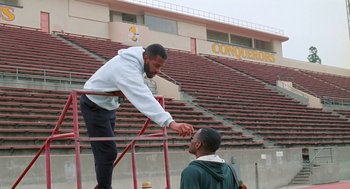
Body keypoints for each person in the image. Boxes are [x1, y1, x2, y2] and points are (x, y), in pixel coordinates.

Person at [80, 44, 194, 189]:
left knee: (105, 152)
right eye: (156, 66)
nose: (158, 71)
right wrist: (171, 123)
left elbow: (138, 89)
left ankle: (102, 186)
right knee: (108, 152)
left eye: (161, 67)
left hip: (109, 105)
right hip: (94, 104)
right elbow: (143, 97)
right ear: (146, 58)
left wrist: (119, 91)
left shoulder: (137, 60)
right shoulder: (126, 68)